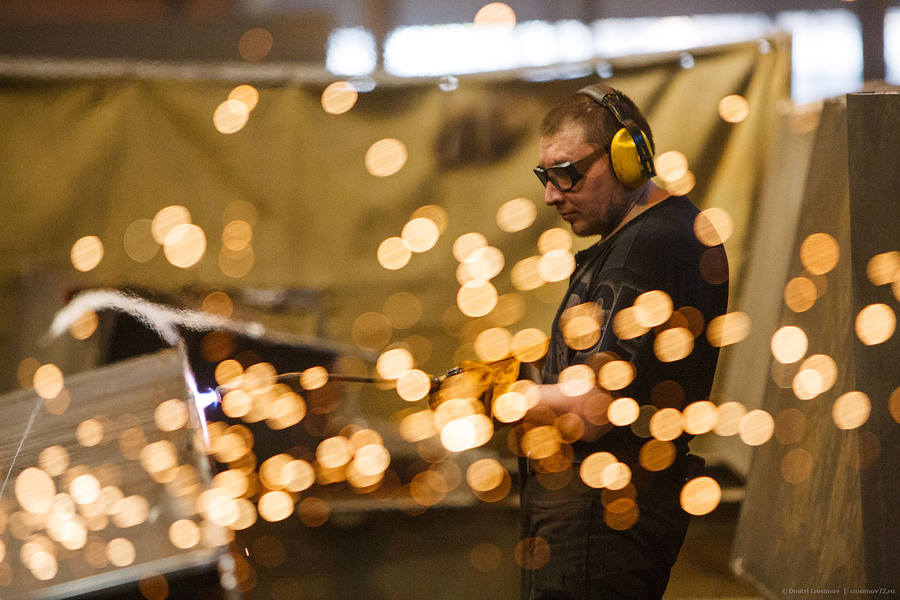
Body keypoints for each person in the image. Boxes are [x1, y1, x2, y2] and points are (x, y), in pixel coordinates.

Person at [517, 84, 729, 600]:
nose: (552, 195)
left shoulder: (648, 251)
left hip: (601, 514)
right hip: (607, 511)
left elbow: (593, 407)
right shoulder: (655, 236)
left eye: (566, 173)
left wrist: (499, 400)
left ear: (626, 160)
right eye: (546, 176)